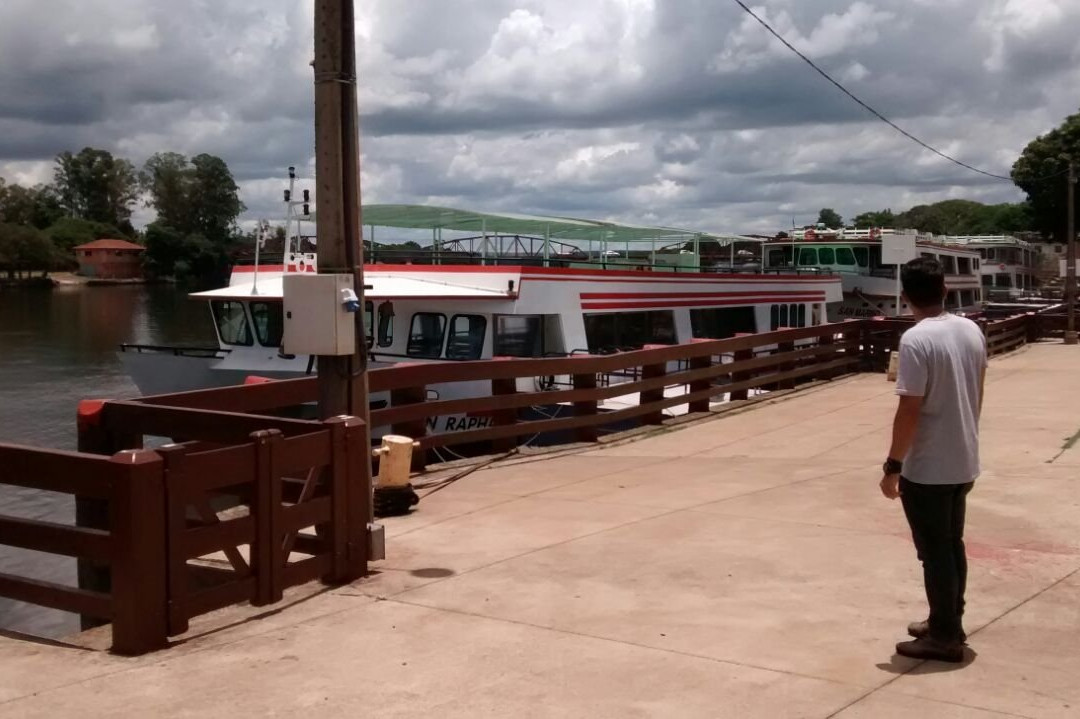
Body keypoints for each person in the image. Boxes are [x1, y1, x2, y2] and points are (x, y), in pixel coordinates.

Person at [880, 257, 987, 663]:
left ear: (905, 296)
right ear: (945, 290)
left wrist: (893, 465)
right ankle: (948, 620)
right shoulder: (970, 329)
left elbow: (910, 409)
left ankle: (943, 637)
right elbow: (977, 390)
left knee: (934, 553)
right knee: (951, 545)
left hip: (929, 467)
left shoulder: (915, 340)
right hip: (963, 457)